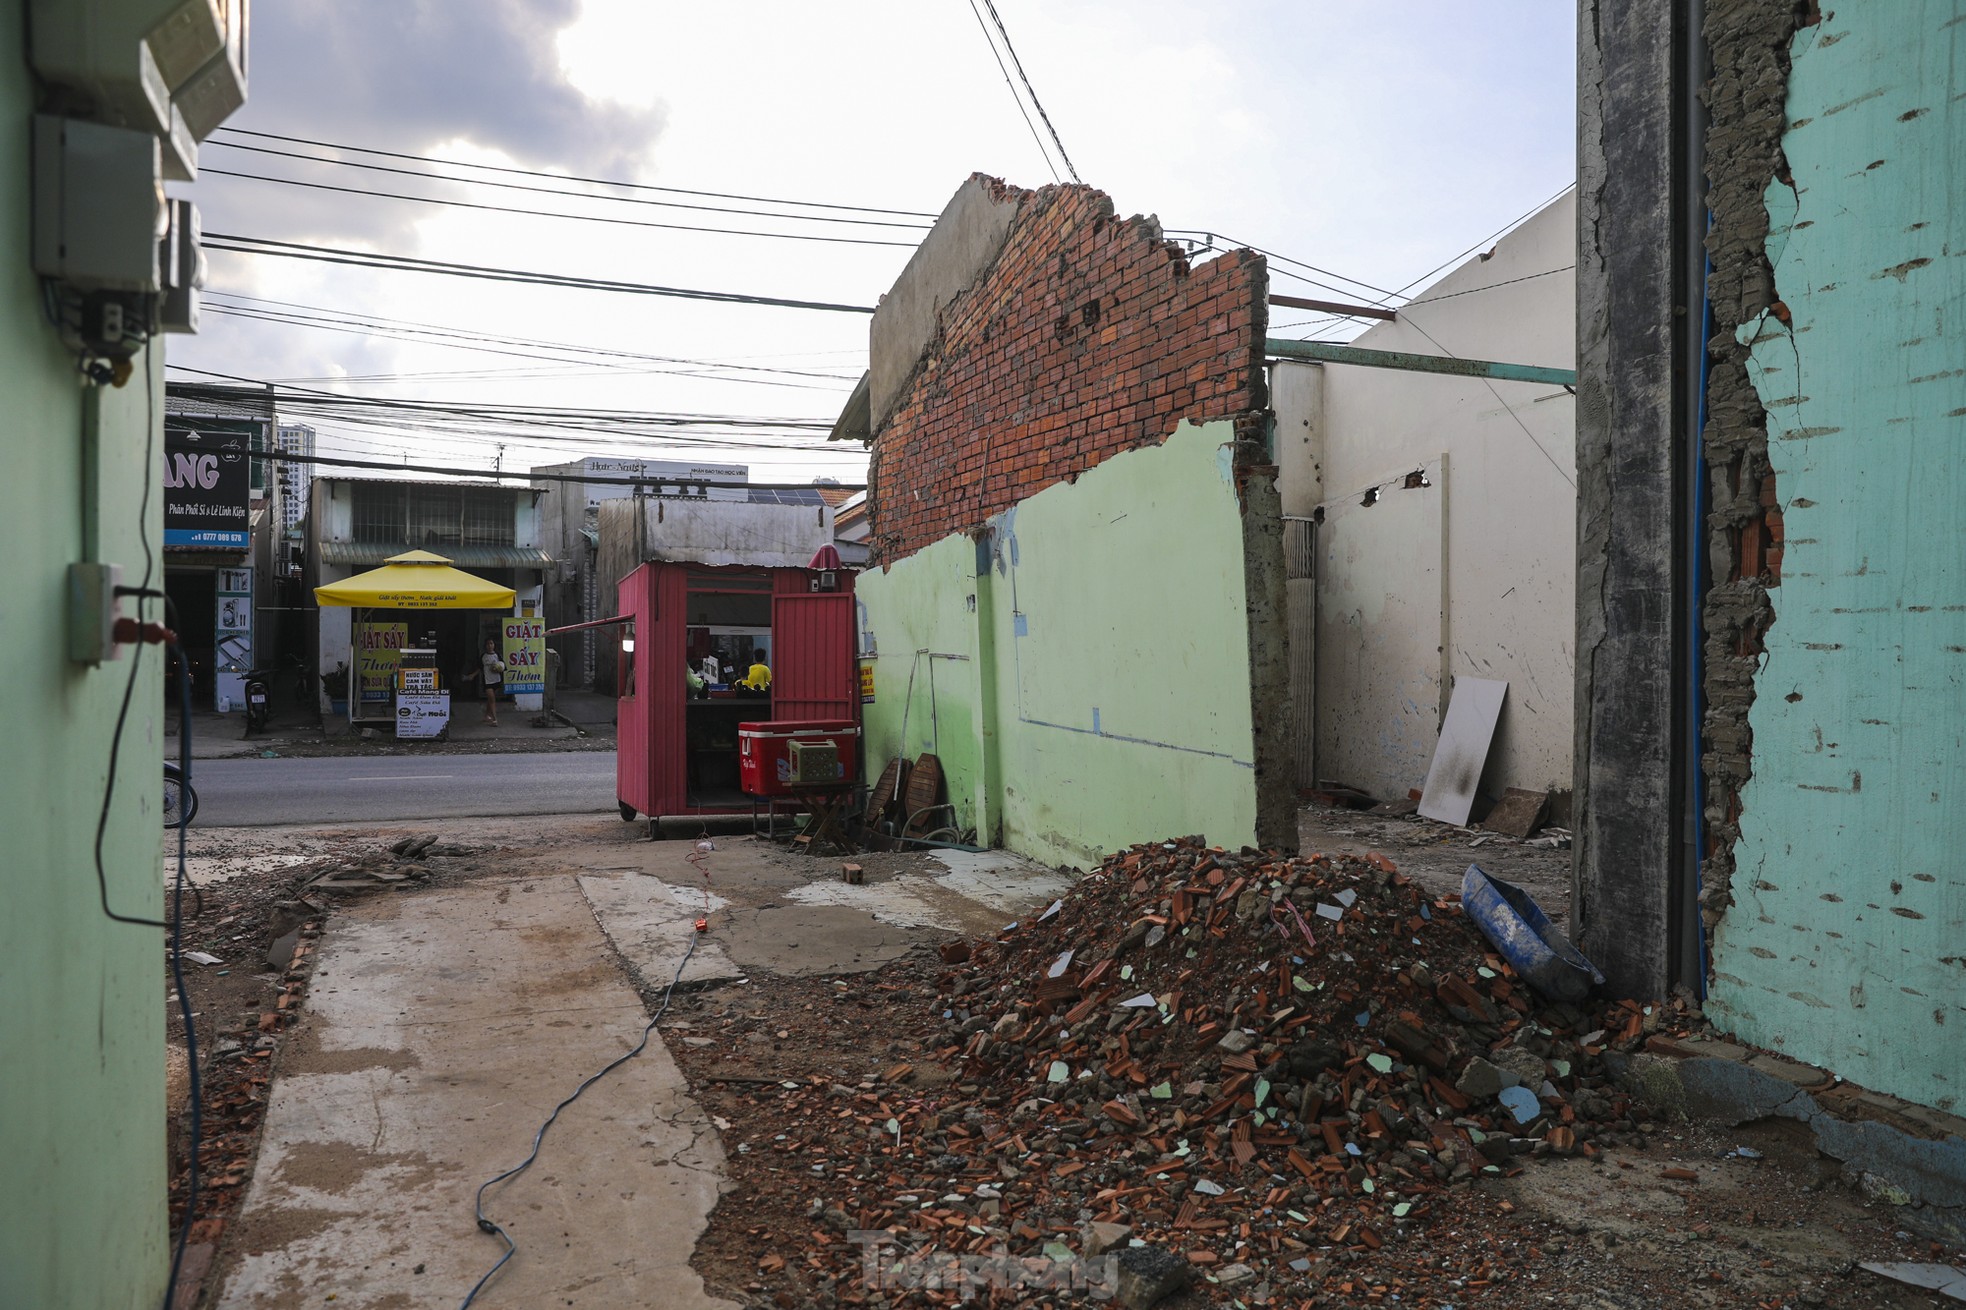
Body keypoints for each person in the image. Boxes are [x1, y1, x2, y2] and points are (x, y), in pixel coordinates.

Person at [479, 638, 505, 724]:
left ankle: (487, 715)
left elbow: (503, 667)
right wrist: (471, 676)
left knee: (490, 700)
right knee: (492, 700)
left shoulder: (497, 655)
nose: (490, 646)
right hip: (487, 681)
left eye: (491, 643)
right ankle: (495, 719)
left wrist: (497, 669)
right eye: (488, 644)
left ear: (494, 645)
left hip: (496, 681)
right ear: (485, 646)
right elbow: (479, 668)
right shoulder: (483, 656)